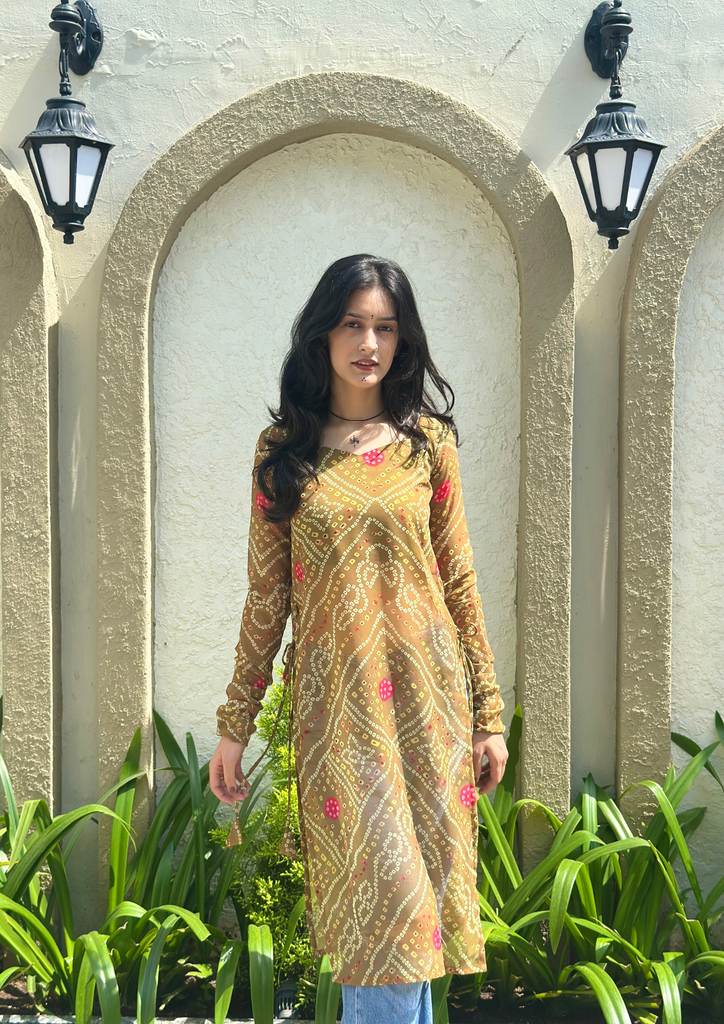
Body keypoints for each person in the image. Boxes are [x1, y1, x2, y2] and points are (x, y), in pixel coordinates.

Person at [209, 254, 508, 1024]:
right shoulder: (284, 452)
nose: (369, 343)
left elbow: (459, 581)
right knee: (382, 913)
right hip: (339, 720)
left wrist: (488, 715)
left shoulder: (427, 445)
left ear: (404, 340)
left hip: (427, 710)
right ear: (322, 334)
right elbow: (266, 598)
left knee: (412, 922)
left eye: (385, 327)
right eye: (352, 324)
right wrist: (235, 725)